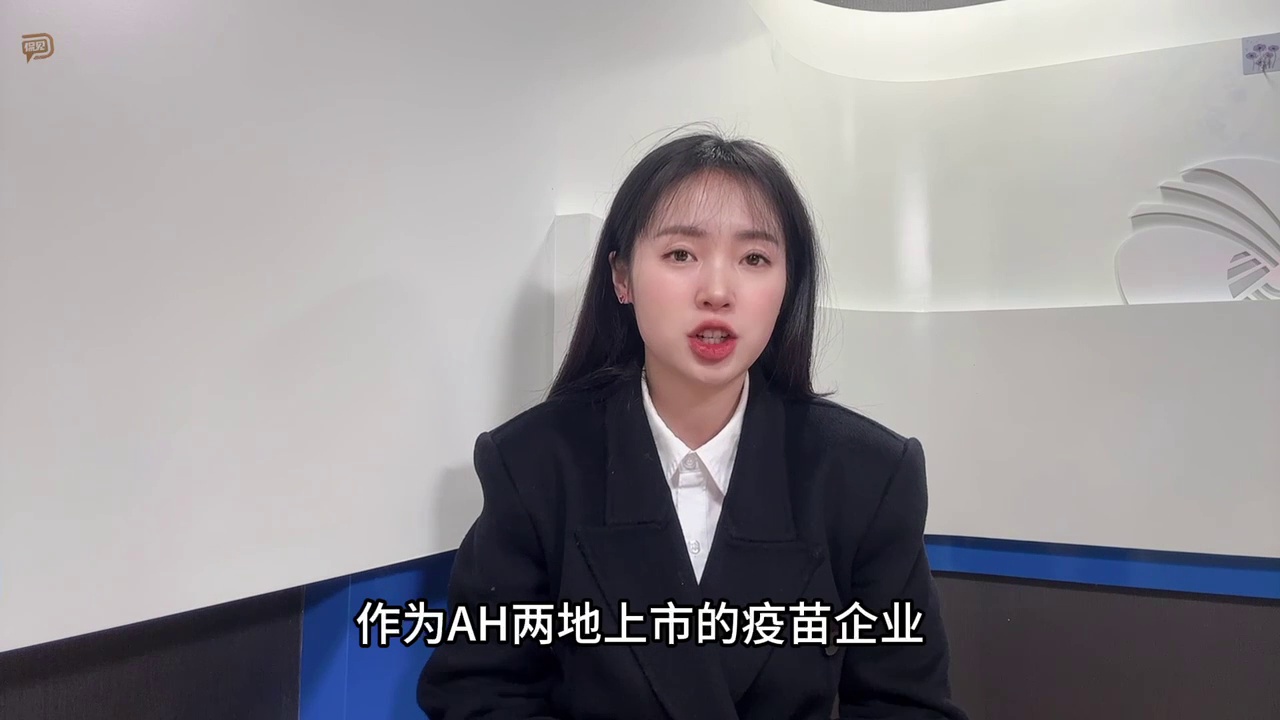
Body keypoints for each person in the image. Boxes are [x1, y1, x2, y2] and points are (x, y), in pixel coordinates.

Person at [416, 129, 969, 720]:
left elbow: (906, 706)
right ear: (622, 277)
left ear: (787, 284)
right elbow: (478, 691)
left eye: (754, 259)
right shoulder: (533, 463)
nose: (718, 291)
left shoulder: (868, 476)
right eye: (681, 254)